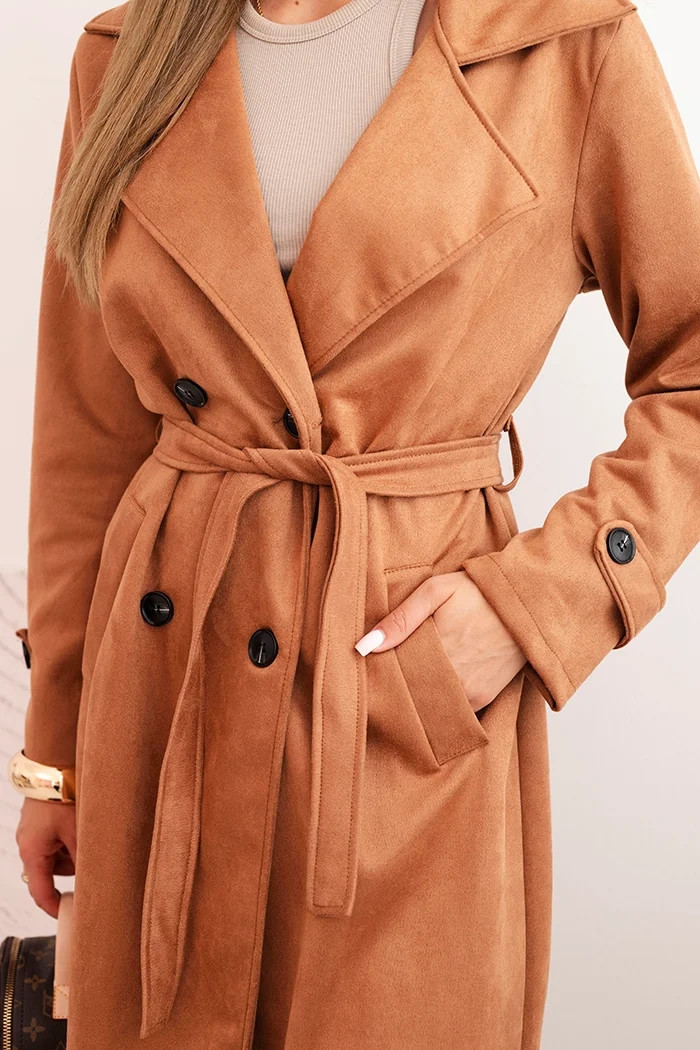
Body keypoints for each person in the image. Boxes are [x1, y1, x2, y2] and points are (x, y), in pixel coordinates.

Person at [9, 0, 700, 1047]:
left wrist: (535, 608)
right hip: (164, 700)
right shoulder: (127, 54)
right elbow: (87, 437)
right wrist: (54, 755)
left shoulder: (559, 40)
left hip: (395, 697)